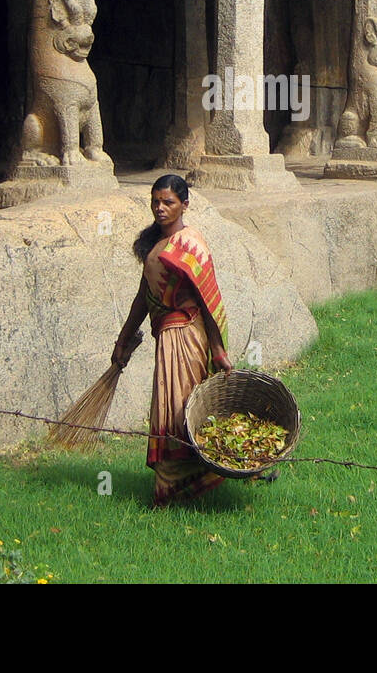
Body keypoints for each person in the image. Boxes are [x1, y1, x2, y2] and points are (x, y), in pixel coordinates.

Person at [112, 174, 233, 507]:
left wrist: (218, 349)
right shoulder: (154, 244)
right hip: (166, 335)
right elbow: (143, 296)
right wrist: (123, 339)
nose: (160, 208)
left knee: (181, 407)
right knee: (166, 407)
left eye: (168, 202)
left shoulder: (191, 242)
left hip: (187, 335)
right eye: (156, 202)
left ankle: (190, 482)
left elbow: (208, 301)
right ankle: (169, 488)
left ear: (184, 205)